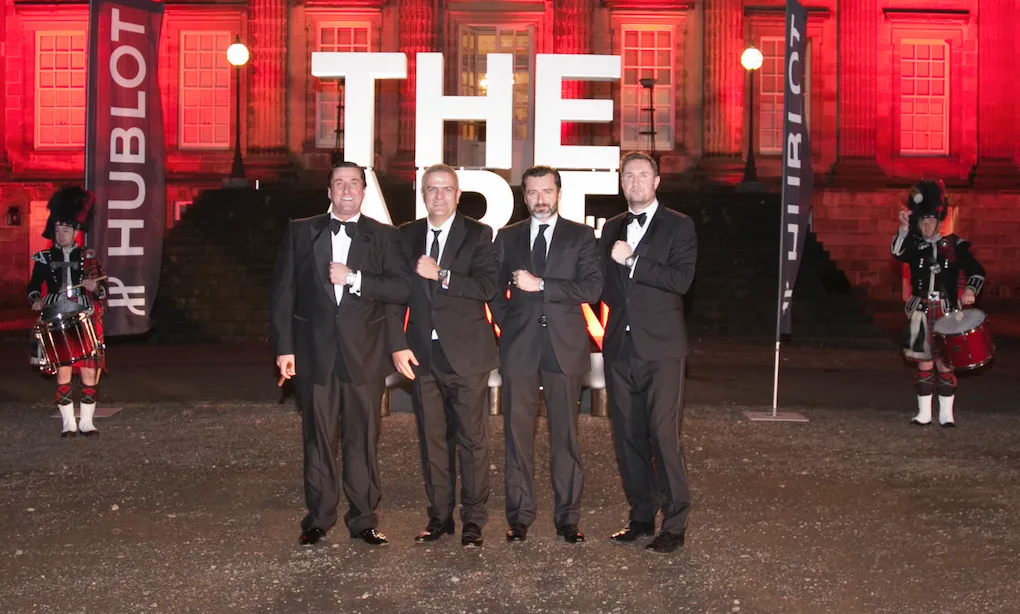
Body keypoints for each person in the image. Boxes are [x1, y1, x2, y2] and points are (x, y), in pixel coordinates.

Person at [270, 161, 411, 547]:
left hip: (364, 354)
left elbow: (401, 289)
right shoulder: (301, 231)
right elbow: (282, 293)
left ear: (363, 191)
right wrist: (284, 347)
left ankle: (364, 519)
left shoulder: (384, 236)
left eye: (353, 183)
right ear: (328, 191)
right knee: (317, 438)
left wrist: (355, 279)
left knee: (362, 439)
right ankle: (318, 517)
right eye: (339, 183)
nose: (346, 190)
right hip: (313, 353)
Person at [386, 163, 500, 548]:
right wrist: (396, 342)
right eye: (432, 189)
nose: (439, 196)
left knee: (472, 440)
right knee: (432, 439)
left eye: (446, 189)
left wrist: (443, 274)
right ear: (423, 194)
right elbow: (395, 294)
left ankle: (473, 521)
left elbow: (487, 287)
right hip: (421, 354)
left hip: (467, 354)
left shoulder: (479, 234)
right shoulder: (406, 235)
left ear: (458, 194)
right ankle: (439, 517)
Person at [488, 165, 602, 544]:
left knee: (565, 435)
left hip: (564, 346)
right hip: (519, 348)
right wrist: (509, 324)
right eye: (533, 192)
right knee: (517, 435)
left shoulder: (580, 236)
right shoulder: (508, 237)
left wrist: (542, 285)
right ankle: (519, 516)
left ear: (558, 193)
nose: (540, 199)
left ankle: (567, 518)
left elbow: (592, 288)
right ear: (524, 196)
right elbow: (493, 288)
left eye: (547, 191)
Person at [598, 152, 696, 555]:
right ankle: (641, 516)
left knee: (663, 435)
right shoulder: (611, 227)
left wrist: (634, 261)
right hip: (620, 346)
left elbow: (681, 280)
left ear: (656, 181)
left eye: (642, 175)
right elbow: (605, 284)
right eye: (628, 175)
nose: (635, 181)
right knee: (627, 435)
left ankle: (674, 524)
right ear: (621, 182)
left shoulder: (679, 224)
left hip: (662, 348)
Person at [892, 180, 985, 427]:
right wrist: (903, 228)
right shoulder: (914, 245)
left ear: (939, 221)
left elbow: (977, 271)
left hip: (946, 310)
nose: (926, 225)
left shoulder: (954, 246)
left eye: (931, 221)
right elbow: (897, 253)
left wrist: (970, 290)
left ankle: (946, 415)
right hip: (921, 309)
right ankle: (924, 414)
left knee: (945, 364)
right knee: (924, 361)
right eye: (922, 221)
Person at [27, 185, 108, 438]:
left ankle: (87, 422)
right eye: (58, 230)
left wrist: (96, 288)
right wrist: (36, 300)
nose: (61, 235)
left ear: (75, 231)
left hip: (84, 316)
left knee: (89, 372)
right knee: (63, 372)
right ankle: (68, 423)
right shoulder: (43, 257)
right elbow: (32, 287)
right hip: (56, 317)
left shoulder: (88, 256)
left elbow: (103, 289)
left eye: (66, 230)